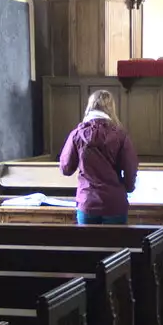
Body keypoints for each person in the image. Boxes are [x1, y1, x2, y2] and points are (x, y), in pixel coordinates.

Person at [59, 90, 140, 225]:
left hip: (88, 200)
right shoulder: (120, 135)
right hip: (114, 202)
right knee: (116, 246)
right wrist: (128, 187)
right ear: (111, 108)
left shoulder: (77, 134)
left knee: (88, 245)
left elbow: (66, 168)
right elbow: (130, 167)